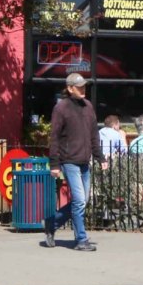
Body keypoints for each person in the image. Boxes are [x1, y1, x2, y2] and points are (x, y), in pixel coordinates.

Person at [45, 73, 97, 252]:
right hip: (69, 161)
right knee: (80, 201)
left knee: (82, 201)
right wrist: (54, 164)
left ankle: (52, 223)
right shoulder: (61, 108)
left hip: (84, 161)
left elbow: (93, 134)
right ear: (69, 88)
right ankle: (81, 240)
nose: (83, 89)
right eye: (79, 86)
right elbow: (54, 138)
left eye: (84, 86)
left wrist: (99, 156)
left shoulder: (88, 106)